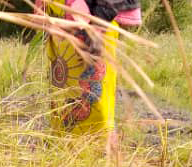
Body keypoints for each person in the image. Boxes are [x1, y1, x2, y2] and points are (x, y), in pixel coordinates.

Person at [36, 0, 141, 135]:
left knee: (94, 102)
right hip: (61, 17)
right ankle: (64, 146)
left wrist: (99, 20)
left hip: (95, 17)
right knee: (62, 95)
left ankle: (95, 151)